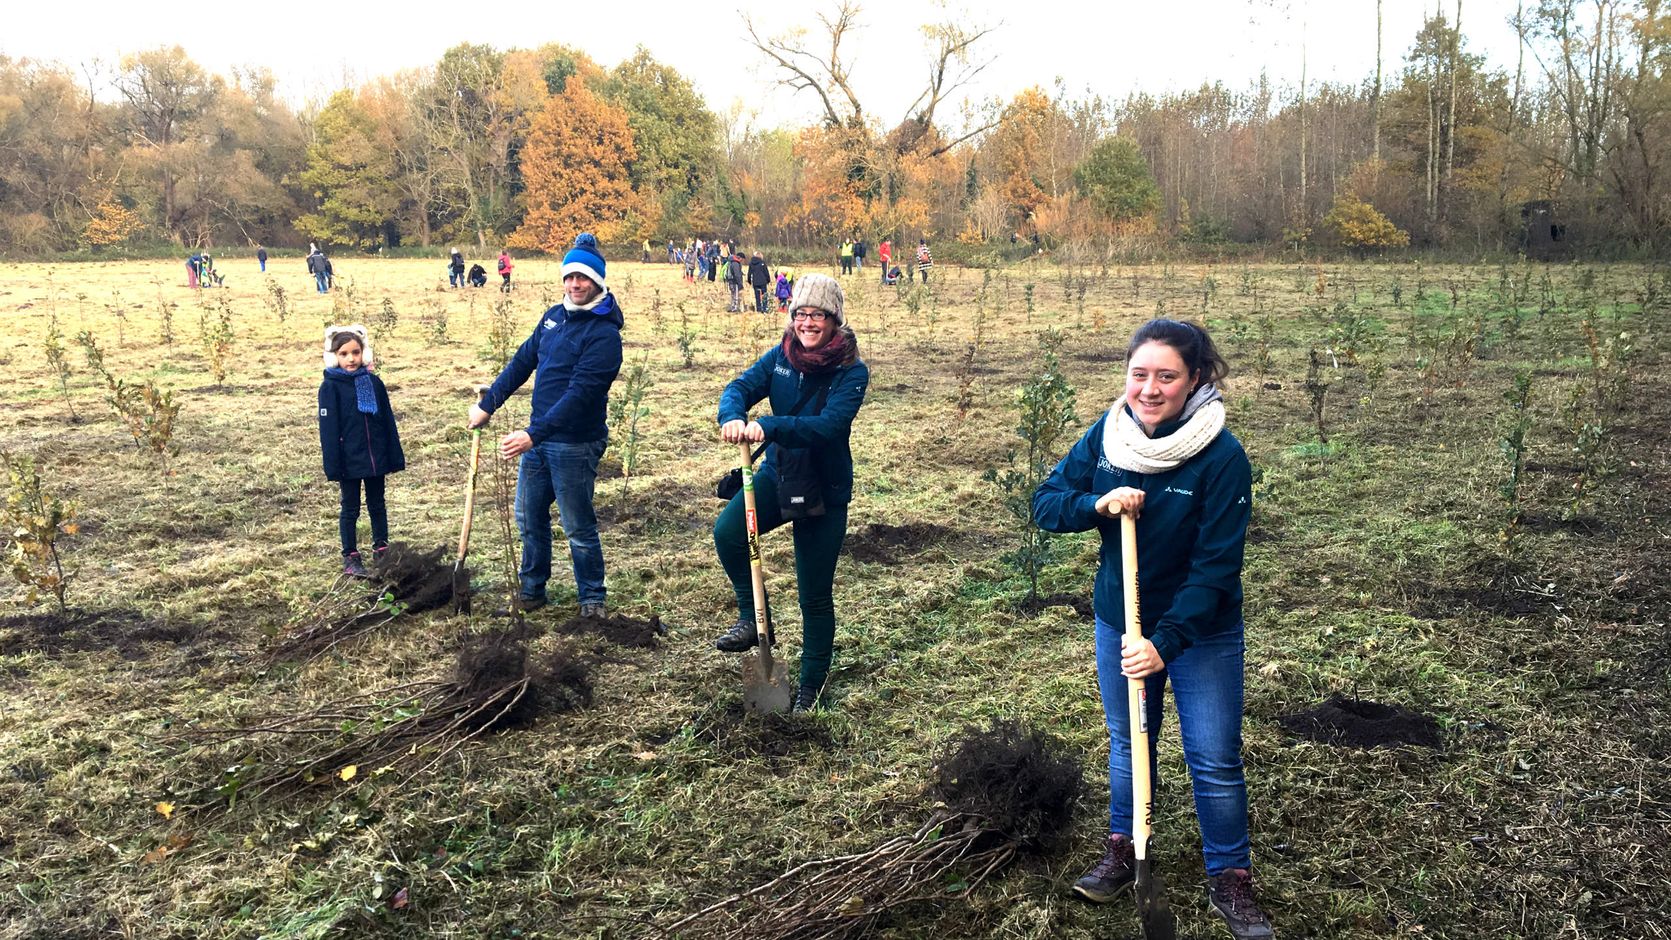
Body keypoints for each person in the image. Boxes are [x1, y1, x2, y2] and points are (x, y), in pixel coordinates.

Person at [1032, 319, 1273, 940]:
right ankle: (1125, 848)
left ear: (1195, 379)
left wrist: (1163, 644)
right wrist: (1096, 503)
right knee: (1127, 740)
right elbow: (1046, 502)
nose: (1150, 388)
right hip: (1121, 617)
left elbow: (1216, 568)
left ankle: (1230, 877)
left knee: (1214, 756)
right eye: (1140, 374)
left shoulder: (1221, 456)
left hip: (1200, 633)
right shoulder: (1107, 438)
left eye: (1167, 376)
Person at [712, 273, 870, 711]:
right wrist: (732, 414)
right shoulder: (781, 356)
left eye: (817, 314)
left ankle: (809, 687)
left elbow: (829, 426)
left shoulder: (852, 372)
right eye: (800, 313)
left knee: (813, 595)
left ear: (833, 319)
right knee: (728, 535)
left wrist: (771, 425)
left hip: (824, 488)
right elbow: (739, 387)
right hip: (780, 475)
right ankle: (751, 617)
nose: (807, 322)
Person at [469, 233, 623, 618]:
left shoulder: (604, 336)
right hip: (538, 440)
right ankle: (532, 591)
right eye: (569, 276)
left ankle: (592, 600)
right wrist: (488, 404)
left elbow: (579, 396)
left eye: (583, 277)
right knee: (528, 516)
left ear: (598, 282)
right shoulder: (553, 317)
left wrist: (532, 434)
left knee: (576, 525)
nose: (575, 284)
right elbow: (523, 362)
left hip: (574, 442)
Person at [318, 324, 405, 579]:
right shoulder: (330, 387)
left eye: (355, 352)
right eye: (344, 354)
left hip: (375, 456)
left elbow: (386, 419)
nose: (351, 359)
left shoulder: (373, 383)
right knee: (350, 507)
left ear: (363, 354)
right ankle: (351, 555)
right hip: (349, 460)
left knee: (378, 503)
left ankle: (381, 548)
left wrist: (392, 454)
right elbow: (329, 431)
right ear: (334, 356)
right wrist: (334, 464)